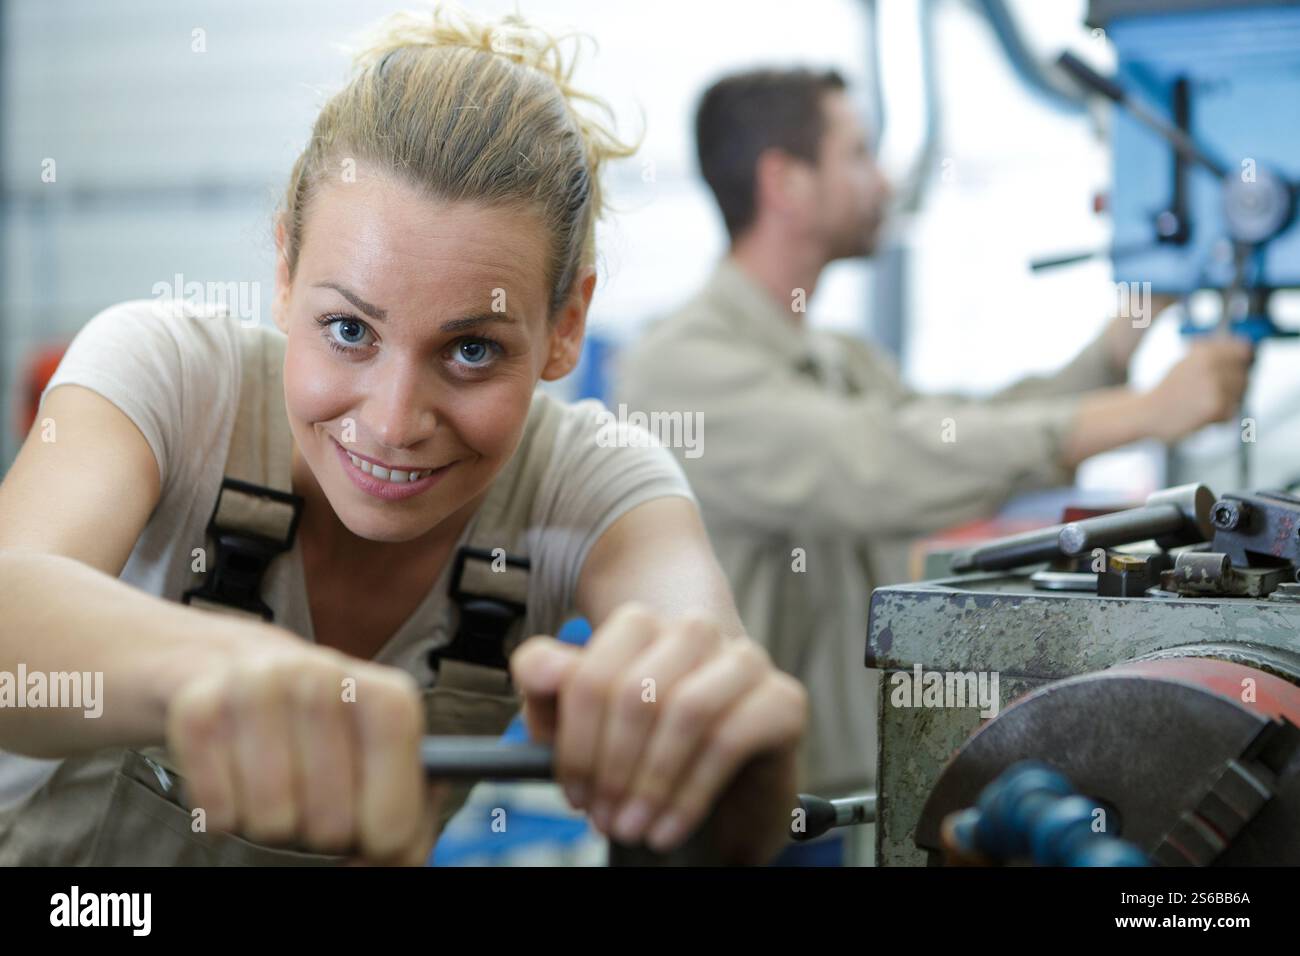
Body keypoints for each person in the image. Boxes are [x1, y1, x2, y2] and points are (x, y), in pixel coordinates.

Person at [0, 8, 806, 866]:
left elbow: (700, 665)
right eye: (349, 329)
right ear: (283, 273)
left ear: (566, 324)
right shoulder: (171, 373)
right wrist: (217, 671)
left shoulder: (593, 482)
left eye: (470, 350)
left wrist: (724, 747)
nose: (391, 423)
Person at [616, 67, 1253, 800]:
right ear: (785, 181)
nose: (883, 183)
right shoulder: (678, 369)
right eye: (858, 154)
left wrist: (1134, 324)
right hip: (722, 805)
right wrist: (1146, 412)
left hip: (832, 788)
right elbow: (886, 461)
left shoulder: (836, 358)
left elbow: (964, 424)